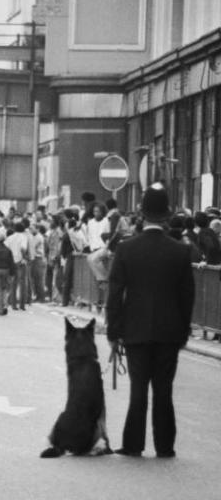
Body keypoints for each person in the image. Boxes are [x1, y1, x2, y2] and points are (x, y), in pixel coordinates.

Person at [105, 183, 194, 459]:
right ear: (167, 216)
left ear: (142, 214)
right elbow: (187, 297)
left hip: (135, 330)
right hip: (169, 332)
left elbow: (115, 294)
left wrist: (113, 330)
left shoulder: (126, 249)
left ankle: (133, 444)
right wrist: (182, 331)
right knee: (164, 390)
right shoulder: (180, 251)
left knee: (138, 389)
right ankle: (165, 446)